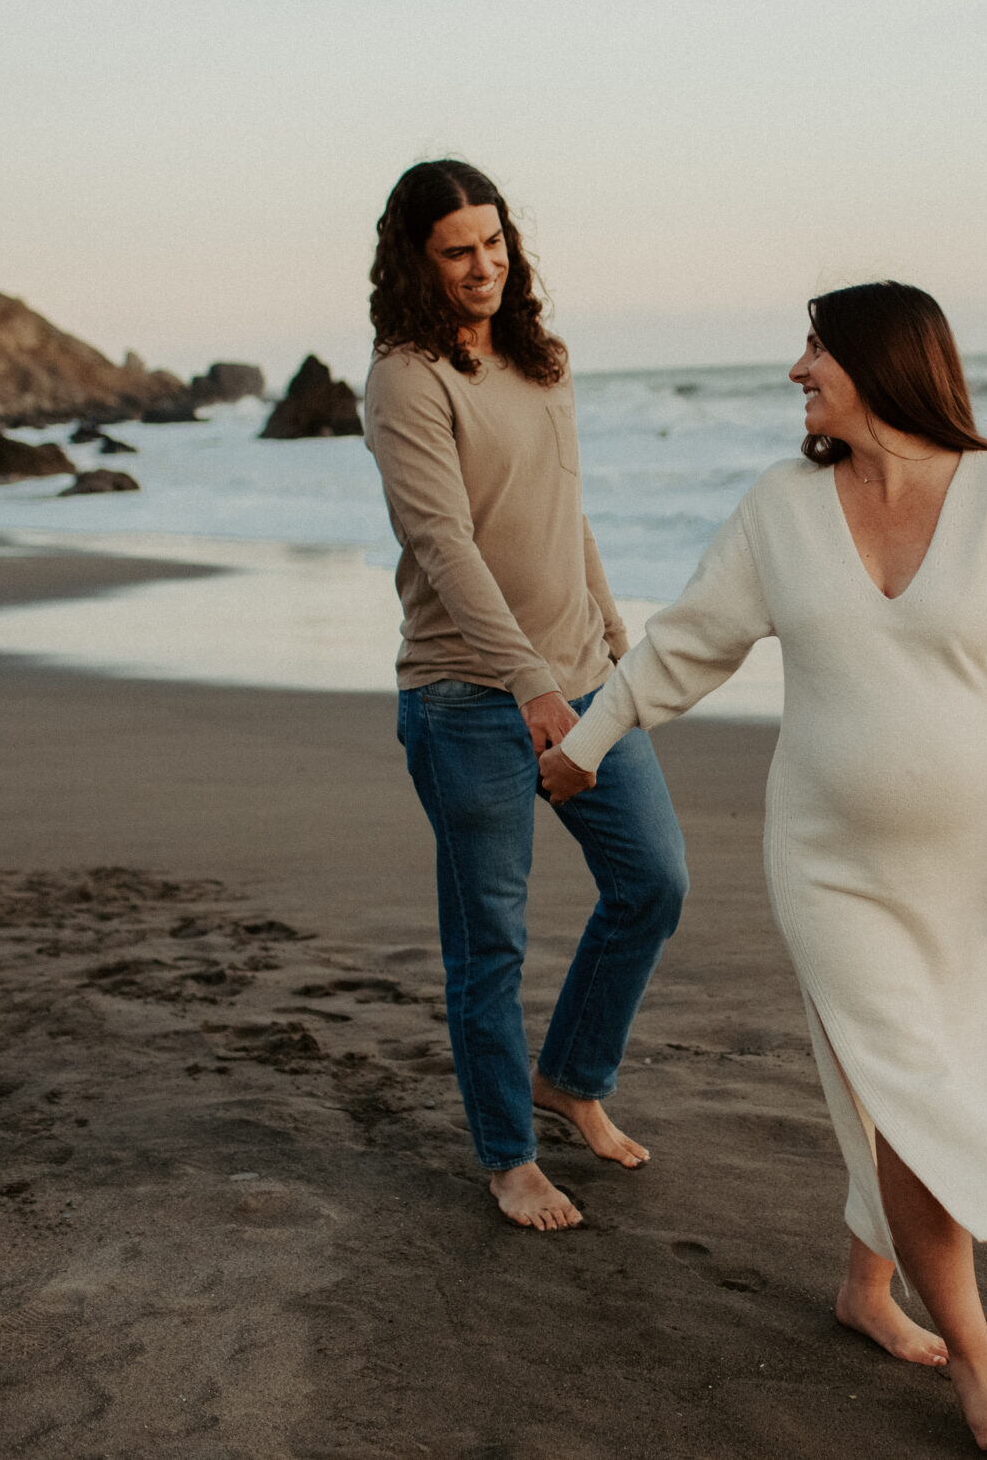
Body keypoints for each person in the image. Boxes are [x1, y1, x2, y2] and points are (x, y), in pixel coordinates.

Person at [540, 282, 987, 1454]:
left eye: (815, 350)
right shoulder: (781, 510)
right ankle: (980, 1362)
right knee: (904, 1095)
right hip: (825, 862)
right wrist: (586, 746)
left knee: (907, 1078)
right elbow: (689, 642)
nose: (797, 371)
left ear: (882, 366)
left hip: (963, 864)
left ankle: (863, 1286)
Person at [364, 158, 687, 1233]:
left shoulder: (539, 361)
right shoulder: (408, 378)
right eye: (457, 250)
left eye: (494, 243)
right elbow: (442, 545)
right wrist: (530, 682)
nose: (483, 266)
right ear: (417, 259)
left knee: (653, 884)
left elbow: (566, 512)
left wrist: (609, 638)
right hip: (467, 697)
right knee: (489, 945)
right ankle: (508, 1156)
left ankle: (572, 1078)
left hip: (581, 678)